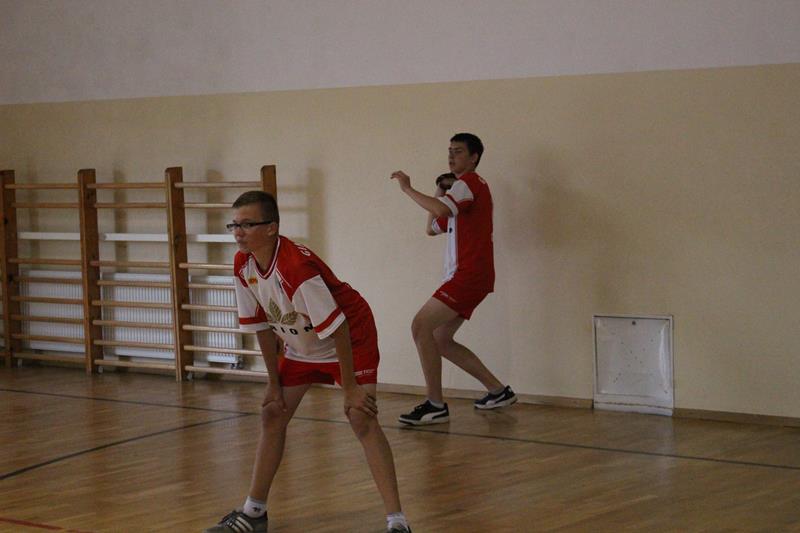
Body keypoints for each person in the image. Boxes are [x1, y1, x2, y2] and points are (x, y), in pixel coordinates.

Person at [204, 191, 411, 533]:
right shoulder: (243, 264)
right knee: (273, 412)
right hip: (302, 344)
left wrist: (350, 388)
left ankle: (397, 522)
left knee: (361, 416)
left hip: (349, 338)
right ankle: (254, 513)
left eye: (247, 225)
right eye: (234, 225)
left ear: (271, 227)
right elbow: (260, 325)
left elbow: (339, 327)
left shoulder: (295, 267)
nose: (238, 232)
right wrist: (273, 383)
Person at [390, 132, 516, 426]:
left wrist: (408, 188)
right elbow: (432, 227)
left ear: (473, 157)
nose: (451, 156)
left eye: (458, 151)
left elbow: (440, 209)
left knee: (420, 326)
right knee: (440, 339)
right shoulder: (460, 193)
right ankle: (498, 391)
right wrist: (438, 190)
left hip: (469, 274)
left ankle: (435, 405)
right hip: (470, 276)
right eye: (449, 150)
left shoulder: (469, 183)